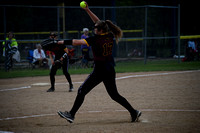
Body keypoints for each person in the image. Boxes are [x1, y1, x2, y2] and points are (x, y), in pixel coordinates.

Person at [56, 2, 141, 123]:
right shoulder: (110, 35)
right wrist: (88, 10)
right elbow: (100, 22)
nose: (94, 28)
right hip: (110, 69)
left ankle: (71, 114)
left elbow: (76, 42)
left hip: (100, 71)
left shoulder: (95, 39)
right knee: (114, 95)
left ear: (100, 30)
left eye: (96, 28)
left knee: (81, 90)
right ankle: (134, 112)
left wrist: (59, 42)